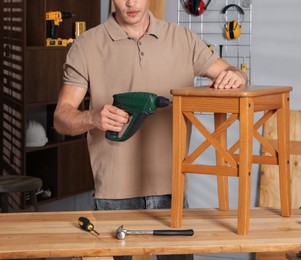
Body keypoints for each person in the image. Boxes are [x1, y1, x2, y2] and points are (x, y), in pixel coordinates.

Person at [54, 0, 247, 259]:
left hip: (172, 190)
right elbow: (61, 118)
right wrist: (92, 117)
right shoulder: (87, 45)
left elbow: (229, 73)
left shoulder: (182, 39)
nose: (131, 3)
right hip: (114, 193)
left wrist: (237, 76)